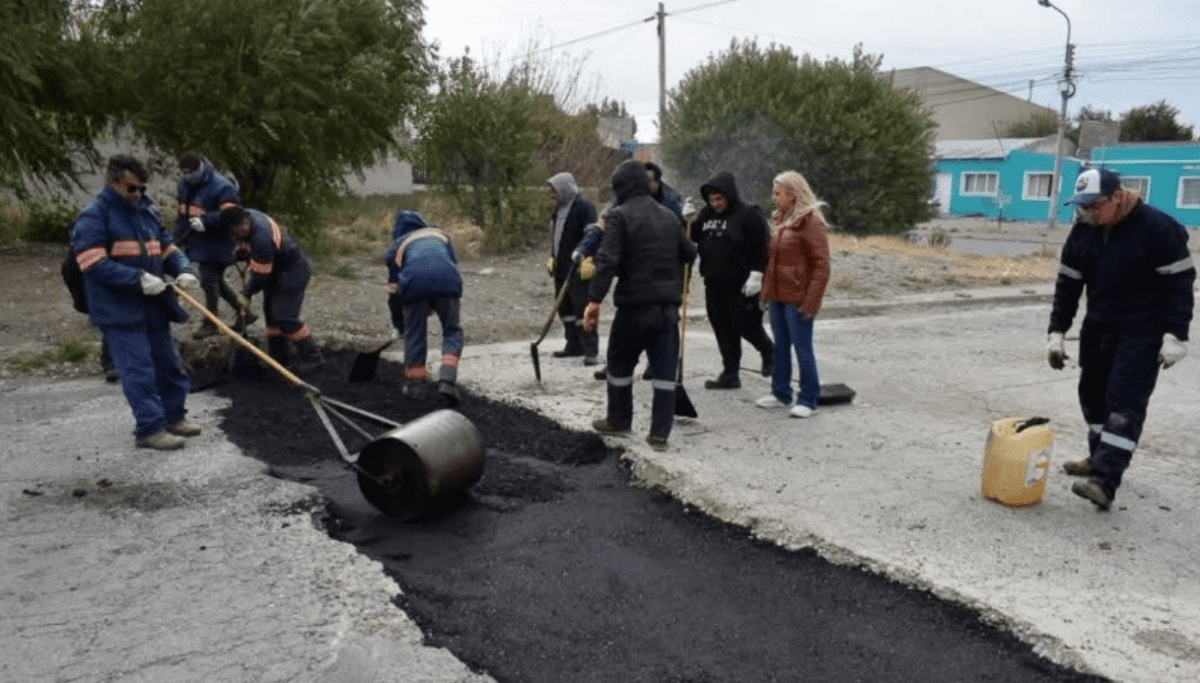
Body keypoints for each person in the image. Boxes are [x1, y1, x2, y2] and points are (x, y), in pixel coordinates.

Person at [1047, 166, 1195, 510]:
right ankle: (1099, 457)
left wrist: (1176, 335)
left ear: (1118, 197)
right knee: (1092, 397)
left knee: (1123, 404)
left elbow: (1179, 286)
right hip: (1099, 325)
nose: (1086, 213)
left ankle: (1105, 480)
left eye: (1093, 206)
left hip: (1143, 331)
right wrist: (1057, 331)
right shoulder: (1084, 229)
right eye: (1081, 206)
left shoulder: (1159, 229)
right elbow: (1068, 282)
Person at [71, 154, 202, 450]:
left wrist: (182, 268)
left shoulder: (146, 212)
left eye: (142, 188)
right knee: (139, 370)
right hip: (118, 309)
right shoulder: (95, 215)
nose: (138, 194)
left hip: (153, 304)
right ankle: (150, 429)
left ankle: (174, 417)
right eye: (132, 189)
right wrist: (138, 279)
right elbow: (92, 263)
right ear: (114, 181)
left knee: (169, 363)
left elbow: (166, 247)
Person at [583, 159, 698, 452]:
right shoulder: (670, 218)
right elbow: (689, 252)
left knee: (620, 362)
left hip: (635, 307)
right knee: (664, 369)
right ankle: (660, 433)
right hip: (667, 309)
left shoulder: (621, 217)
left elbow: (607, 261)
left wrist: (594, 300)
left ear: (623, 186)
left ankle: (619, 420)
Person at [754, 171, 831, 418]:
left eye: (777, 193)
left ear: (792, 193)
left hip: (798, 298)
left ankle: (808, 398)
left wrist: (811, 301)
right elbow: (773, 262)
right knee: (781, 347)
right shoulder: (781, 221)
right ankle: (780, 393)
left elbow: (822, 265)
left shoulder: (810, 222)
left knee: (802, 348)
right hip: (778, 296)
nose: (773, 197)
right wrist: (766, 292)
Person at [689, 170, 774, 389]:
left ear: (729, 195)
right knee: (722, 328)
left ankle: (769, 352)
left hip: (742, 284)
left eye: (719, 199)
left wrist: (758, 274)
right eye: (711, 199)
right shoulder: (706, 215)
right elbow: (694, 236)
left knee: (746, 325)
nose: (715, 203)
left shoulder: (748, 214)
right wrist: (688, 219)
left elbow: (762, 246)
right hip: (713, 283)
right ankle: (730, 373)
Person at [217, 206, 322, 371]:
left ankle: (313, 358)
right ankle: (278, 358)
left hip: (292, 269)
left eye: (236, 233)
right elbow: (248, 248)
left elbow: (260, 276)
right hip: (276, 268)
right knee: (271, 316)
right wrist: (242, 251)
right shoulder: (246, 216)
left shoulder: (261, 238)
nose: (234, 236)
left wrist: (246, 294)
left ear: (243, 223)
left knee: (284, 316)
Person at [386, 210, 464, 404]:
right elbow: (449, 263)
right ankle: (447, 379)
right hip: (448, 283)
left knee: (415, 334)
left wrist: (400, 325)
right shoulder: (441, 235)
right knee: (452, 330)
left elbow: (394, 293)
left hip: (413, 287)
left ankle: (415, 388)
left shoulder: (397, 247)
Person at [174, 151, 244, 339]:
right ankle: (243, 312)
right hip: (198, 241)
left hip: (219, 241)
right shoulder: (183, 185)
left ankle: (210, 323)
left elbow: (234, 214)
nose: (189, 177)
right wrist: (175, 241)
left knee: (208, 280)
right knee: (216, 282)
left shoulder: (221, 186)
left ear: (201, 169)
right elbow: (182, 214)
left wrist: (208, 220)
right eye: (185, 173)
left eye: (192, 173)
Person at [545, 172, 600, 365]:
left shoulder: (585, 207)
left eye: (554, 190)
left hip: (579, 267)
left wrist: (582, 254)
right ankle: (573, 345)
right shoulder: (558, 209)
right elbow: (557, 237)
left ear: (564, 189)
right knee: (565, 309)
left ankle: (590, 350)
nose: (552, 194)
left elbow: (592, 235)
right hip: (561, 267)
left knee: (583, 309)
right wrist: (553, 258)